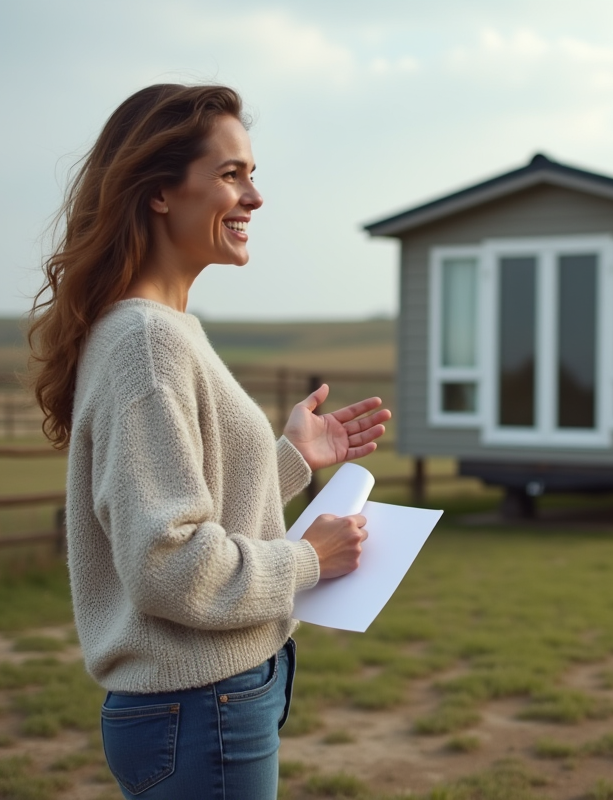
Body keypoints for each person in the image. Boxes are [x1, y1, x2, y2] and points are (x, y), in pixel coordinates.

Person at [27, 84, 389, 799]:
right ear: (161, 192)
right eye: (231, 175)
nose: (254, 197)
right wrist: (306, 560)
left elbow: (176, 502)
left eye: (252, 174)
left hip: (209, 700)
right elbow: (167, 563)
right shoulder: (147, 341)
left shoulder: (161, 329)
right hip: (201, 705)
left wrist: (289, 460)